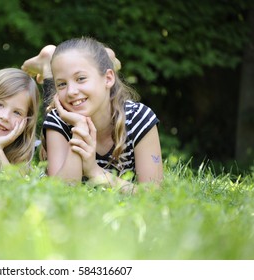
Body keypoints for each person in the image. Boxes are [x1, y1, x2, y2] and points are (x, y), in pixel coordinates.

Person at [21, 37, 163, 193]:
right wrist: (79, 128)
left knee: (84, 68)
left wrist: (94, 171)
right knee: (52, 109)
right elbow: (61, 192)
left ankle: (54, 60)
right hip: (68, 114)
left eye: (81, 79)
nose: (71, 91)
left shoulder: (138, 118)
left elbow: (153, 194)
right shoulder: (58, 119)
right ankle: (50, 64)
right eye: (61, 84)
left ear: (109, 78)